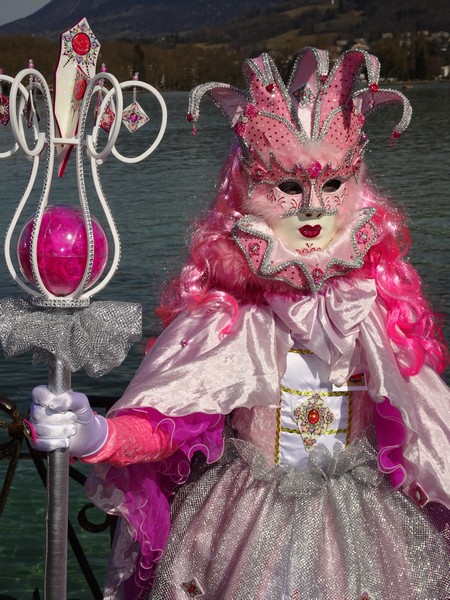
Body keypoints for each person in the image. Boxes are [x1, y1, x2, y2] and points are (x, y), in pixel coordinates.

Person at [30, 48, 450, 600]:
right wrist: (101, 435)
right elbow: (177, 419)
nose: (312, 211)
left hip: (365, 519)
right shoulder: (231, 315)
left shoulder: (378, 306)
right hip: (245, 523)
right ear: (246, 191)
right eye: (289, 189)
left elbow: (428, 425)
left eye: (331, 187)